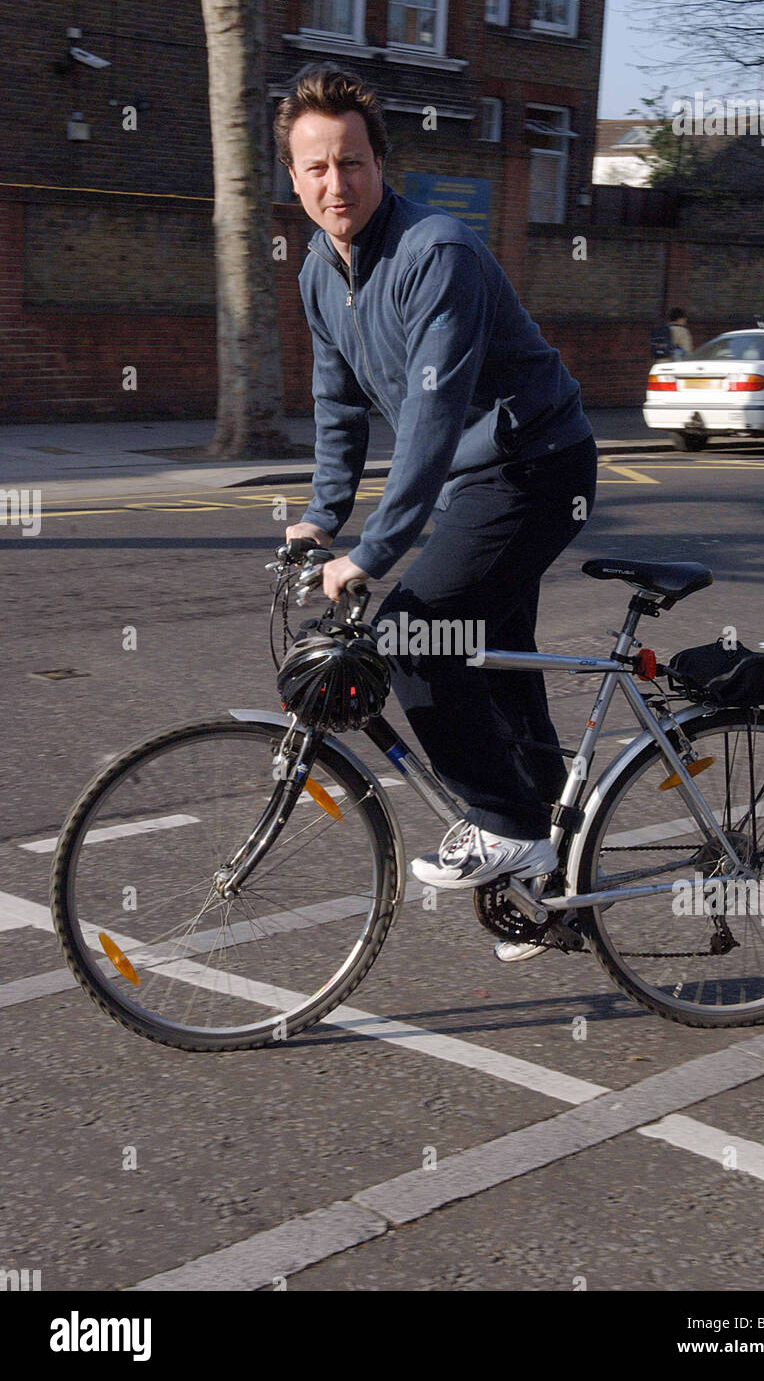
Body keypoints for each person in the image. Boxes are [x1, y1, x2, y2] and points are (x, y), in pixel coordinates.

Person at [275, 64, 597, 962]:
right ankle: (561, 880)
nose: (336, 185)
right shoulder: (318, 270)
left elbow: (429, 415)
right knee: (496, 667)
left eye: (352, 163)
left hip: (536, 465)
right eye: (316, 169)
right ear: (294, 181)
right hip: (478, 479)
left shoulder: (436, 254)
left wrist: (373, 552)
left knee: (415, 642)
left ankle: (505, 823)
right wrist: (318, 518)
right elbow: (338, 407)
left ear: (383, 164)